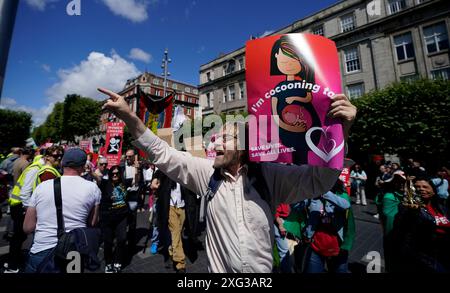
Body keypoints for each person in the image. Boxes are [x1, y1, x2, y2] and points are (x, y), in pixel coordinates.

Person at [97, 86, 356, 273]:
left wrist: (342, 129)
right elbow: (163, 153)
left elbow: (319, 180)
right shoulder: (205, 173)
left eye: (225, 138)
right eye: (215, 137)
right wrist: (129, 117)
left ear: (243, 147)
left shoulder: (270, 176)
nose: (214, 141)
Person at [23, 148, 101, 273]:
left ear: (62, 163)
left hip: (42, 250)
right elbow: (92, 223)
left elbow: (27, 227)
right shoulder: (92, 188)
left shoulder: (42, 187)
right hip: (74, 252)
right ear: (82, 166)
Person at [270, 35, 321, 165]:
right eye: (283, 61)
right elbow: (274, 114)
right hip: (286, 129)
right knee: (293, 157)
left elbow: (308, 98)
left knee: (303, 156)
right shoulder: (276, 88)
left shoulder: (304, 84)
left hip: (308, 126)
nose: (288, 65)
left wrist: (295, 98)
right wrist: (288, 127)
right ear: (276, 57)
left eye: (293, 61)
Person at [392, 177, 450, 272]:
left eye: (425, 187)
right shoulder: (407, 207)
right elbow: (399, 229)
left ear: (434, 191)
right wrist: (411, 212)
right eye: (417, 187)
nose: (421, 189)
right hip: (422, 256)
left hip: (442, 253)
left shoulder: (442, 208)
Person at [99, 165, 128, 273]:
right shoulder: (105, 184)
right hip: (108, 217)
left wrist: (137, 169)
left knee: (122, 239)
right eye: (112, 174)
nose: (114, 175)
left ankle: (117, 261)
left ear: (120, 174)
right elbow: (98, 178)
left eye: (116, 173)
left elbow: (136, 180)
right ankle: (108, 263)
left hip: (122, 216)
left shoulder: (124, 183)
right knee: (108, 241)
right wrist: (91, 171)